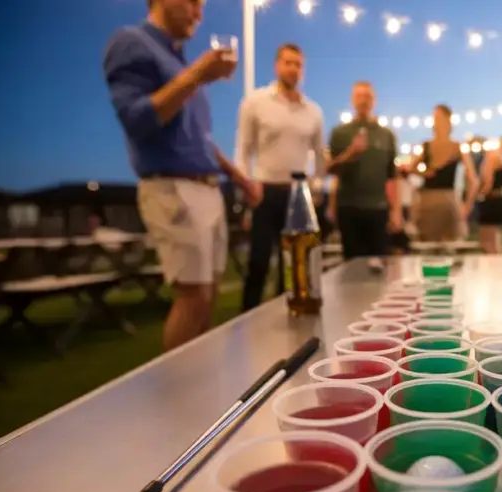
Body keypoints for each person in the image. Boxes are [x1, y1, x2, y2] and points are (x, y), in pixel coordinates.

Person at [103, 0, 260, 352]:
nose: (199, 14)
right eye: (192, 2)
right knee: (194, 298)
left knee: (210, 296)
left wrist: (240, 178)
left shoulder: (178, 60)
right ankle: (180, 399)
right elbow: (137, 119)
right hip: (172, 187)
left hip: (207, 188)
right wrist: (196, 76)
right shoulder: (131, 42)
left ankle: (203, 389)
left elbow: (201, 140)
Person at [234, 43, 325, 311]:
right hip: (265, 190)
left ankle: (286, 313)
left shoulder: (313, 111)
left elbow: (319, 156)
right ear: (277, 66)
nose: (293, 69)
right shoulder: (256, 103)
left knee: (297, 260)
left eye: (298, 64)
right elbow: (243, 149)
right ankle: (247, 316)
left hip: (298, 194)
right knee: (259, 260)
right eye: (288, 62)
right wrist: (247, 186)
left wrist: (316, 188)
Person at [327, 81, 403, 271]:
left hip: (377, 208)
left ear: (374, 101)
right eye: (359, 96)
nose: (363, 101)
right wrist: (350, 154)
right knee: (352, 267)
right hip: (348, 207)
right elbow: (330, 170)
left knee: (379, 265)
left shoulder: (386, 135)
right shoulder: (340, 134)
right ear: (352, 100)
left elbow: (392, 176)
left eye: (367, 96)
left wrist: (396, 211)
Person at [406, 105, 479, 245]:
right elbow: (410, 169)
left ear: (448, 121)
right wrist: (425, 173)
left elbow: (473, 180)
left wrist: (466, 207)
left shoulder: (457, 147)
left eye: (439, 118)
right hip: (426, 204)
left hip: (449, 203)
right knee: (427, 248)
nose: (436, 121)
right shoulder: (425, 146)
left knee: (451, 249)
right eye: (435, 118)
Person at [476, 137, 502, 254]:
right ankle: (498, 266)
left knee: (486, 239)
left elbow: (487, 183)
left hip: (490, 201)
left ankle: (493, 268)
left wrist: (479, 194)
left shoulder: (491, 160)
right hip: (500, 200)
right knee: (495, 237)